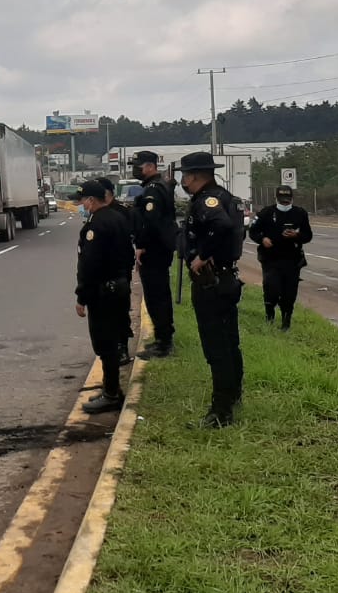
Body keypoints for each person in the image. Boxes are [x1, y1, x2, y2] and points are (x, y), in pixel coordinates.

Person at [175, 151, 245, 429]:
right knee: (229, 343)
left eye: (184, 176)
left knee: (217, 347)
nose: (183, 181)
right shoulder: (224, 196)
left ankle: (221, 411)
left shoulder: (208, 200)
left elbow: (221, 226)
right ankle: (233, 395)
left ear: (193, 176)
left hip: (211, 283)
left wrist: (202, 255)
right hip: (225, 279)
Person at [73, 180, 136, 414]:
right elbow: (128, 255)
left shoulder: (96, 225)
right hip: (119, 285)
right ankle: (111, 389)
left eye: (83, 201)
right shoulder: (118, 217)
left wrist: (82, 296)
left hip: (103, 292)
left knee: (104, 343)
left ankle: (111, 394)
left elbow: (90, 266)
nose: (82, 205)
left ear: (91, 200)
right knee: (113, 338)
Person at [131, 151, 178, 359]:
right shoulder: (159, 186)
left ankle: (163, 343)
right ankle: (162, 337)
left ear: (150, 166)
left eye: (138, 165)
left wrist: (140, 245)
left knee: (156, 295)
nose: (136, 169)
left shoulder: (153, 190)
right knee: (159, 294)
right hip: (160, 248)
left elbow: (150, 222)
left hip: (154, 249)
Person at [248, 185, 313, 330]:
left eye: (287, 200)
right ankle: (269, 316)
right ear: (276, 198)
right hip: (271, 258)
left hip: (292, 259)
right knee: (272, 288)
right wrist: (262, 239)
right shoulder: (266, 212)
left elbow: (308, 235)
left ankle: (286, 321)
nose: (285, 203)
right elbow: (253, 231)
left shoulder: (300, 213)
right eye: (282, 200)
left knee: (289, 292)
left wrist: (296, 235)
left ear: (292, 199)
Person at [94, 177, 136, 362]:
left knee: (119, 309)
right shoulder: (99, 213)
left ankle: (121, 347)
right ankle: (110, 349)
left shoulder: (121, 213)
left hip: (118, 271)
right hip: (104, 272)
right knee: (106, 314)